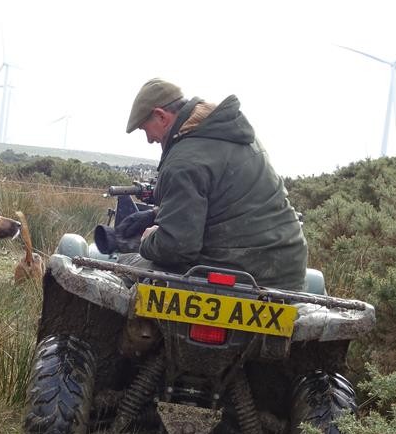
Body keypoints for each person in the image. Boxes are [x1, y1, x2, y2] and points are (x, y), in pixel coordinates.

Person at [118, 78, 307, 290]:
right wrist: (157, 214)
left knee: (126, 266)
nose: (149, 139)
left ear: (161, 116)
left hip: (238, 274)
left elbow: (176, 248)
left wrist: (148, 240)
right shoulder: (238, 136)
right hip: (289, 273)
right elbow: (227, 205)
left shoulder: (183, 161)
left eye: (145, 130)